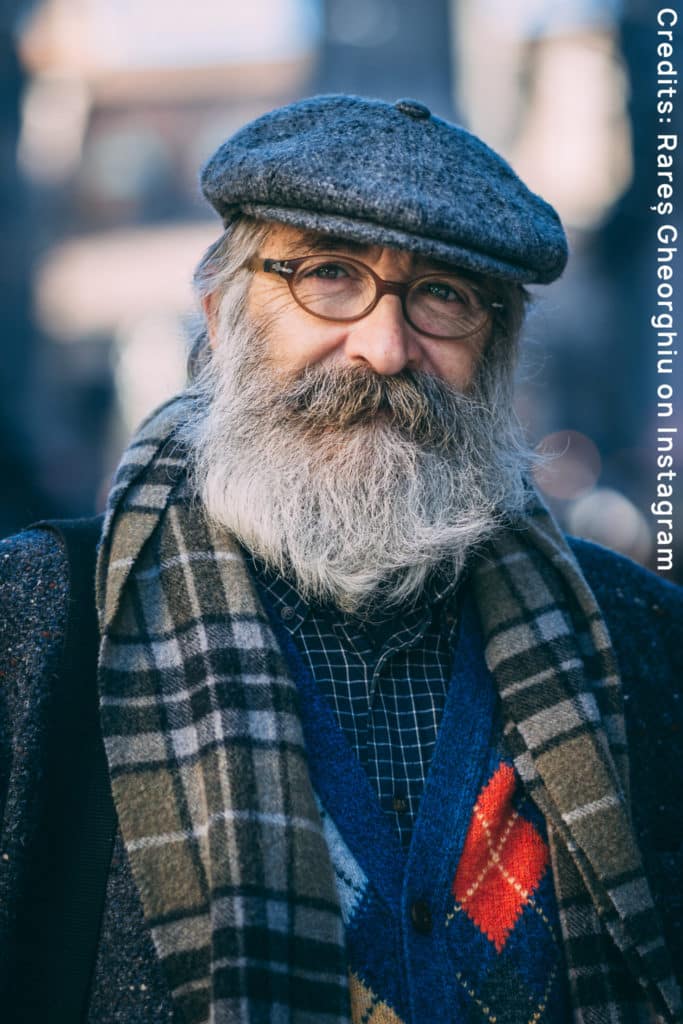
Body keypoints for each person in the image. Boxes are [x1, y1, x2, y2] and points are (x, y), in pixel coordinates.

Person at [0, 94, 681, 1024]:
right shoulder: (37, 622)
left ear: (497, 350)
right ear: (222, 313)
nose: (383, 347)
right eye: (327, 274)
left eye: (442, 295)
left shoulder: (642, 641)